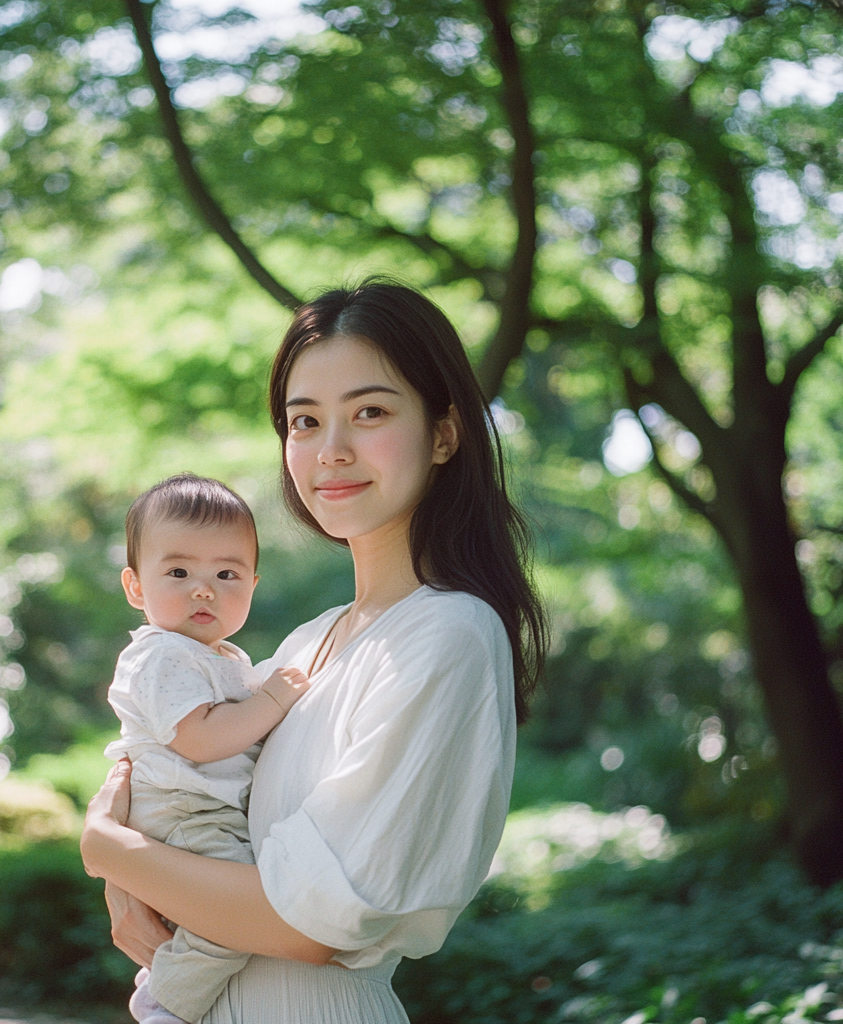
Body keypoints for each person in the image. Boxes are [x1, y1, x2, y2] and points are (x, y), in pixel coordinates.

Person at [81, 279, 547, 1023]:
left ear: (443, 434)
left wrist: (106, 852)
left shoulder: (449, 635)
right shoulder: (307, 643)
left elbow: (305, 926)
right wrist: (126, 870)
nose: (331, 451)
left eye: (369, 412)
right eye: (305, 420)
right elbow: (179, 774)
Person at [106, 473, 311, 1023]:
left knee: (223, 912)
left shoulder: (221, 656)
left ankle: (169, 974)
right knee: (236, 917)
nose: (204, 588)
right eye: (179, 572)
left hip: (200, 810)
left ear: (253, 583)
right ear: (136, 587)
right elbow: (198, 740)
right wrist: (271, 701)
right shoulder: (160, 655)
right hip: (182, 808)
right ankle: (167, 1003)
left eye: (227, 573)